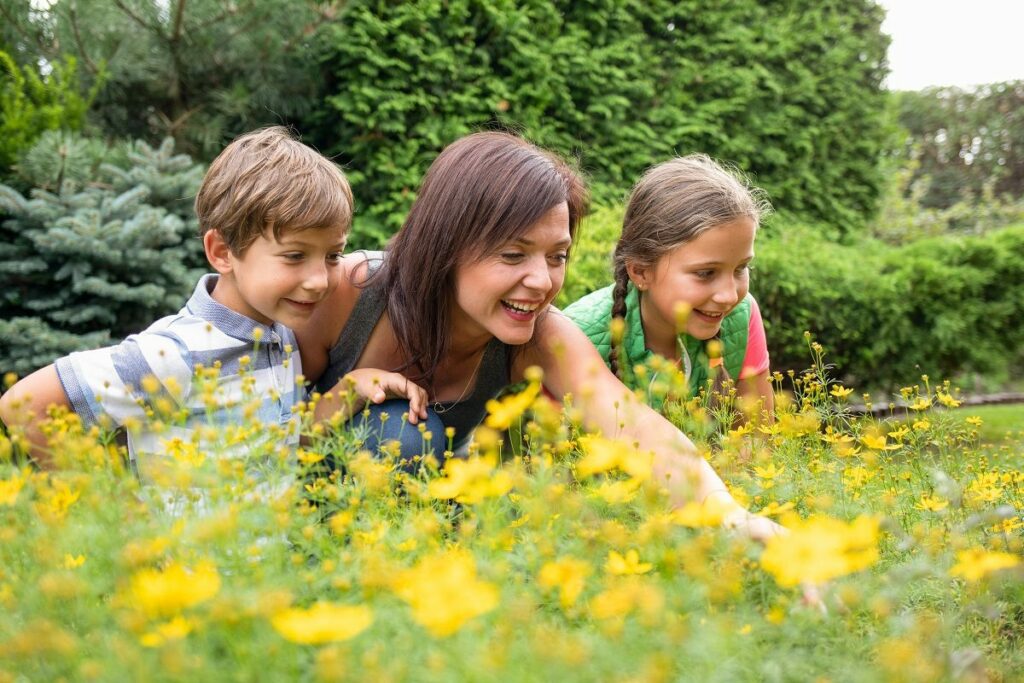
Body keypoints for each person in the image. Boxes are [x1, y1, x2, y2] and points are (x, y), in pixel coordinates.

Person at [297, 132, 781, 540]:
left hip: (425, 519)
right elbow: (250, 420)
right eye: (513, 255)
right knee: (398, 432)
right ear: (443, 244)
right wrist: (341, 397)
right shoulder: (342, 293)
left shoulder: (538, 333)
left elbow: (635, 427)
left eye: (557, 256)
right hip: (295, 512)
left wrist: (731, 516)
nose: (542, 281)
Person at [0, 126, 427, 479]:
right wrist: (109, 507)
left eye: (333, 256)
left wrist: (351, 388)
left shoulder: (279, 340)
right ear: (222, 252)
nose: (319, 280)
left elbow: (288, 445)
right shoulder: (177, 352)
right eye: (295, 256)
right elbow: (25, 406)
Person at [563, 155, 773, 420]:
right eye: (705, 273)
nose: (729, 296)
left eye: (741, 268)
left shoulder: (742, 315)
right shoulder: (578, 334)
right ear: (640, 270)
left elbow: (755, 442)